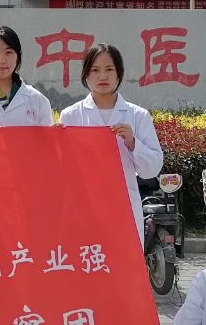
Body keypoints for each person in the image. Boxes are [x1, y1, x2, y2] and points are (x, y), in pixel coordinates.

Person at [57, 43, 163, 233]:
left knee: (123, 252)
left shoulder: (138, 116)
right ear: (86, 75)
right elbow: (60, 170)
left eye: (109, 69)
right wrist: (54, 143)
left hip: (123, 209)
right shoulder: (71, 116)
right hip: (83, 208)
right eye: (95, 70)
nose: (102, 76)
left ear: (119, 73)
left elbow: (152, 169)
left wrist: (133, 143)